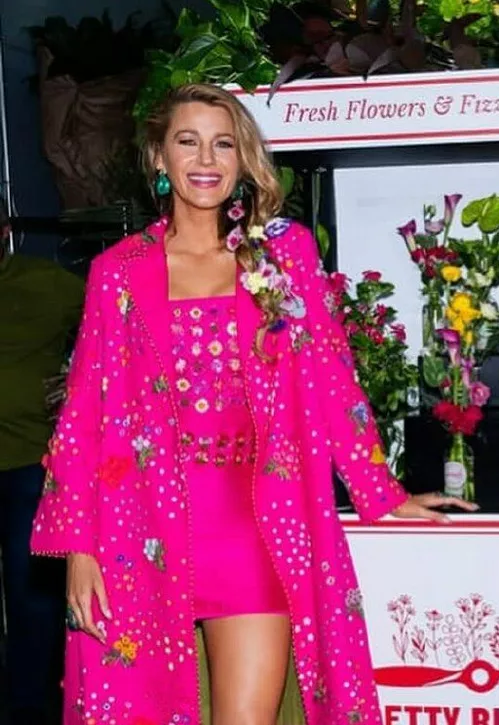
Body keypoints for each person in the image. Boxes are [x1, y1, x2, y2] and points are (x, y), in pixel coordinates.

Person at [30, 83, 474, 725]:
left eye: (224, 144)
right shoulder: (117, 272)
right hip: (139, 531)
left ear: (242, 161)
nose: (205, 159)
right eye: (188, 141)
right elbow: (83, 417)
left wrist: (381, 490)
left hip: (254, 530)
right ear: (159, 157)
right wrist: (80, 548)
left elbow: (330, 376)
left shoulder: (281, 254)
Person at [0, 199, 82, 724]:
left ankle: (28, 708)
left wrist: (76, 381)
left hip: (30, 464)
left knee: (31, 595)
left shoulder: (48, 284)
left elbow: (115, 323)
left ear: (5, 232)